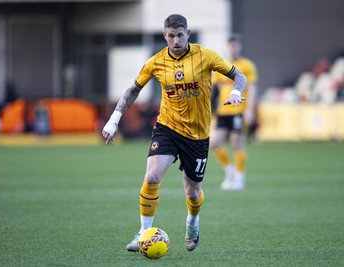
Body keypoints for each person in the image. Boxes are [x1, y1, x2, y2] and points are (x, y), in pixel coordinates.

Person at [102, 14, 247, 252]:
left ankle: (192, 221)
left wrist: (235, 93)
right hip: (167, 128)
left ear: (188, 34)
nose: (176, 40)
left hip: (198, 135)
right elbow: (132, 91)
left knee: (192, 191)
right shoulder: (156, 62)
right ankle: (143, 233)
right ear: (165, 36)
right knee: (152, 177)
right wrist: (113, 120)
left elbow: (238, 76)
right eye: (171, 36)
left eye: (180, 35)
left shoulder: (206, 56)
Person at [210, 34, 258, 191]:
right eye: (230, 45)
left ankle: (240, 178)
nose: (233, 48)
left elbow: (252, 89)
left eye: (235, 45)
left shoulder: (247, 65)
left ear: (240, 47)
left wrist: (250, 110)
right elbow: (213, 90)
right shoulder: (221, 66)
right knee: (214, 144)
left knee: (237, 143)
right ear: (227, 47)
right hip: (223, 111)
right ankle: (229, 171)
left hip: (239, 110)